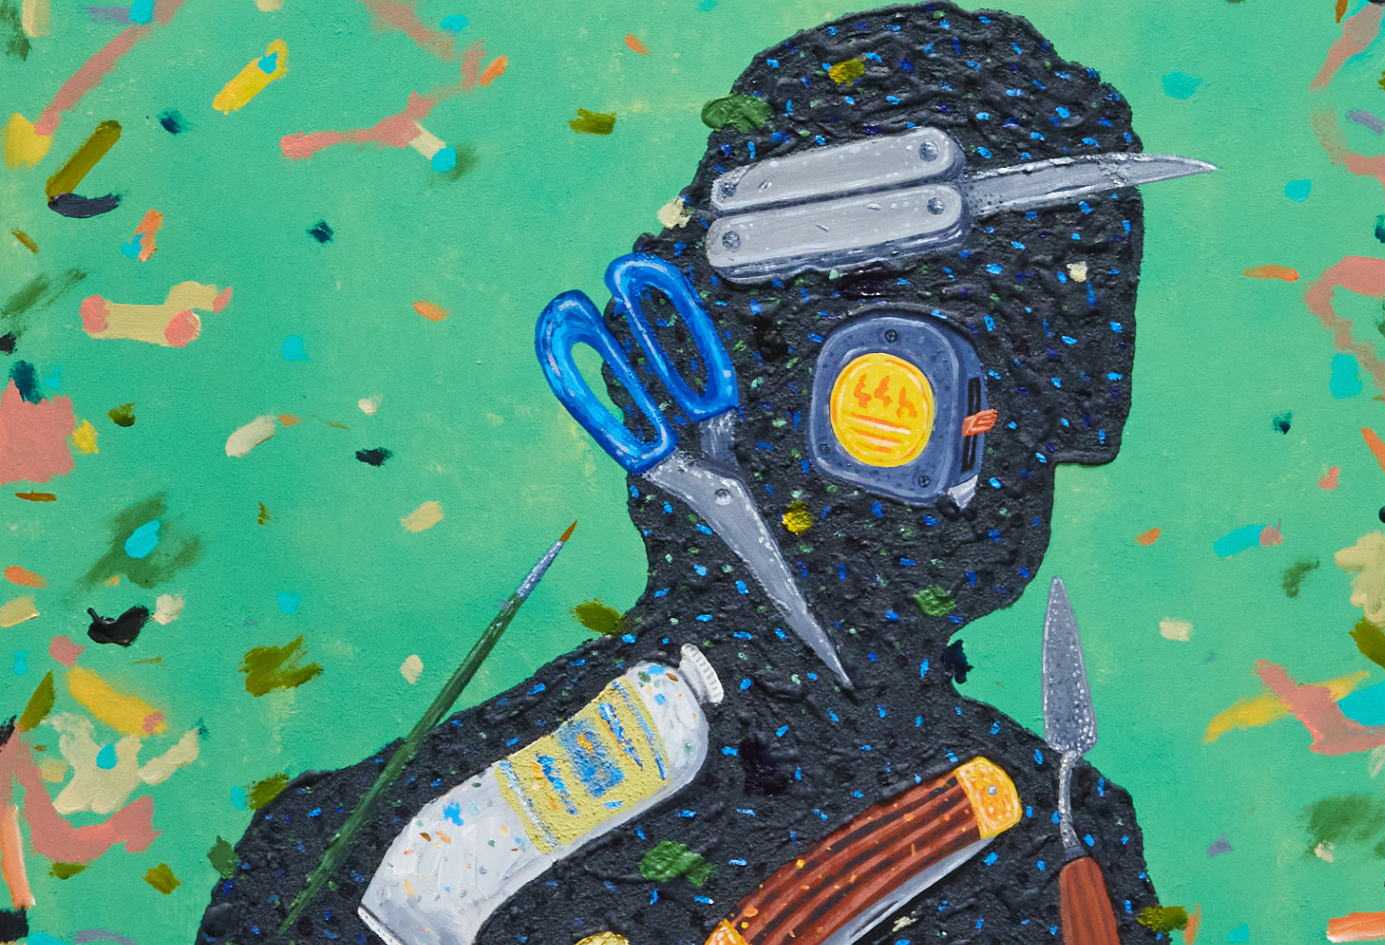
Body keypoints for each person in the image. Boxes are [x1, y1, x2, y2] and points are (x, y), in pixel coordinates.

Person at [199, 3, 1173, 942]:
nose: (1049, 451)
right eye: (896, 397)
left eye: (1063, 398)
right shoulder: (359, 860)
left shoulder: (1056, 840)